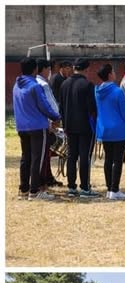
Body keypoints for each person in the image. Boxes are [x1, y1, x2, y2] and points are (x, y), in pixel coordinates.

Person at [13, 57, 61, 201]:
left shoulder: (16, 85)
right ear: (35, 69)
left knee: (25, 158)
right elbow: (44, 105)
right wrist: (56, 117)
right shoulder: (35, 86)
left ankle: (24, 189)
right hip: (37, 127)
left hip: (22, 127)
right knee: (38, 159)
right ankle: (35, 191)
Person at [60, 58, 99, 197]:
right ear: (86, 69)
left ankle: (71, 187)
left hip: (69, 126)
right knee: (84, 157)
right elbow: (92, 108)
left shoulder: (64, 84)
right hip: (85, 126)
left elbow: (61, 107)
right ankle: (85, 187)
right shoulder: (88, 85)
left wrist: (64, 124)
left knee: (71, 156)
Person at [94, 63, 125, 200]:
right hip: (118, 129)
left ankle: (109, 188)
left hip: (104, 129)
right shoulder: (117, 91)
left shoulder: (96, 91)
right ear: (110, 74)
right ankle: (115, 189)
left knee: (108, 159)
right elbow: (124, 113)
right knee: (117, 160)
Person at [34, 59, 61, 189]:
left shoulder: (32, 82)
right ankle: (43, 182)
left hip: (31, 124)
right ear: (44, 69)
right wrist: (56, 118)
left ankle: (47, 178)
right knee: (44, 155)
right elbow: (49, 104)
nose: (49, 72)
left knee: (40, 155)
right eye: (49, 69)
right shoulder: (42, 84)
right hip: (46, 123)